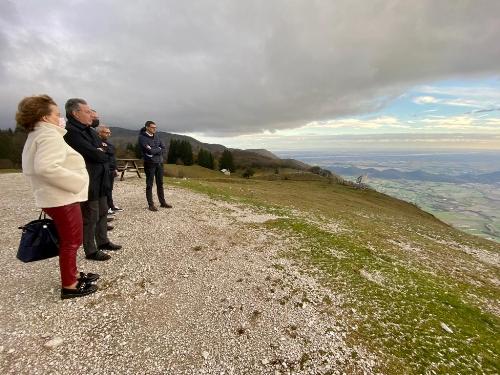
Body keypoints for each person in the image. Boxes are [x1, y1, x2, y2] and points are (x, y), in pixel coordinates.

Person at [17, 94, 99, 299]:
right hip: (61, 197)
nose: (58, 118)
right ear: (44, 117)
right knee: (72, 241)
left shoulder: (37, 134)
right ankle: (70, 285)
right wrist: (77, 181)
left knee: (69, 240)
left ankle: (73, 274)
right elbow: (46, 168)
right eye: (56, 114)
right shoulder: (48, 135)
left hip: (54, 196)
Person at [64, 98, 121, 261]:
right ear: (75, 113)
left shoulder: (89, 130)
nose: (92, 116)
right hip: (89, 181)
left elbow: (107, 149)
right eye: (87, 112)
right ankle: (90, 250)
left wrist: (101, 150)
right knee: (90, 216)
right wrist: (100, 151)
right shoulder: (71, 132)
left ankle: (103, 241)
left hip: (101, 179)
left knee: (103, 211)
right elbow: (94, 153)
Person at [138, 121, 172, 211]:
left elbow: (163, 148)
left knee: (160, 183)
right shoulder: (142, 138)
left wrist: (155, 150)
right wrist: (157, 149)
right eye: (152, 127)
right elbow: (149, 151)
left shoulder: (157, 136)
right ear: (147, 127)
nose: (154, 129)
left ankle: (162, 202)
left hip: (160, 163)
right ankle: (151, 205)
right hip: (150, 164)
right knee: (149, 184)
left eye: (155, 127)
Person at [97, 125, 122, 214]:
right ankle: (106, 208)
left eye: (109, 132)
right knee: (105, 189)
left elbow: (112, 152)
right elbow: (107, 152)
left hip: (111, 168)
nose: (109, 134)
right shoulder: (97, 142)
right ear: (100, 133)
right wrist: (108, 150)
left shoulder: (108, 143)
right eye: (106, 132)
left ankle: (111, 205)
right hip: (104, 169)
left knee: (110, 189)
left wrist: (115, 168)